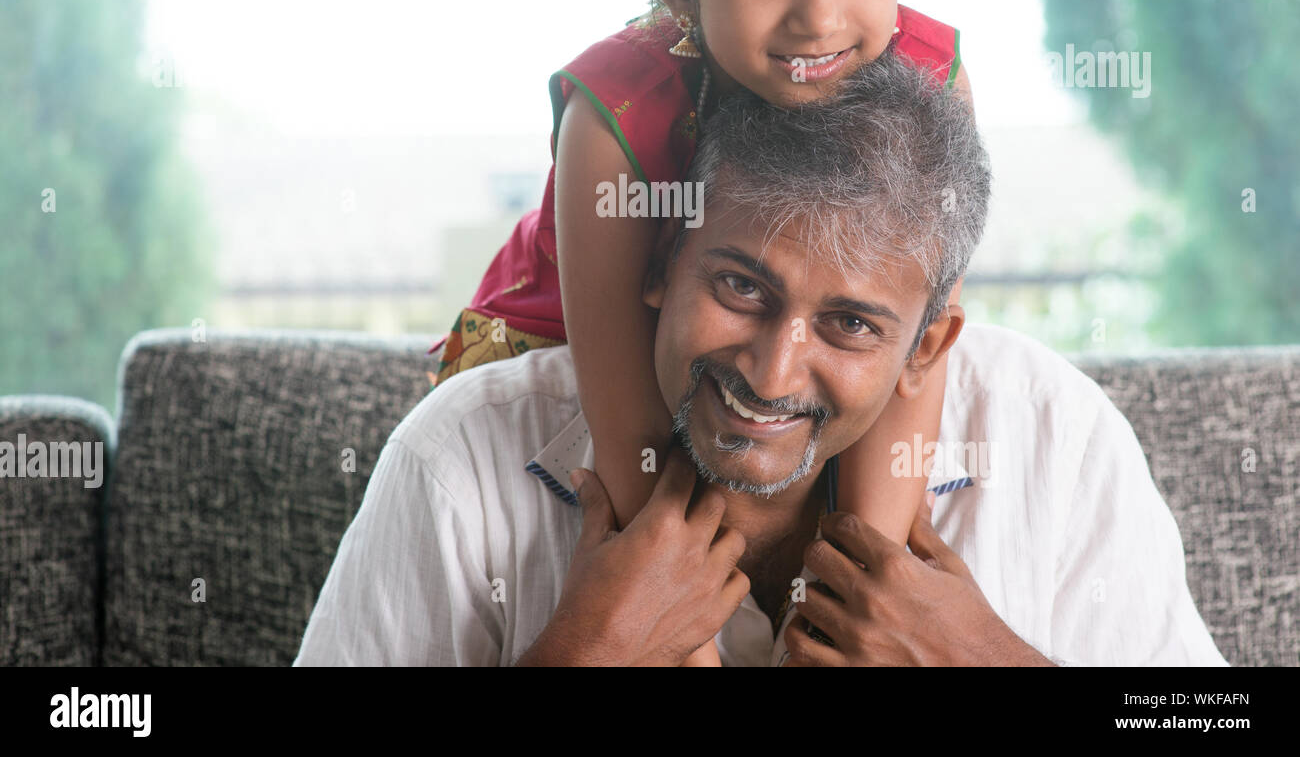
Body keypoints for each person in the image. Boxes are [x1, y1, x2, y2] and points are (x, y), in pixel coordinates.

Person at [295, 54, 1228, 667]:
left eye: (852, 326)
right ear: (661, 263)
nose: (773, 375)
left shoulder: (1057, 436)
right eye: (741, 289)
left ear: (926, 347)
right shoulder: (461, 461)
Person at [426, 0, 967, 666]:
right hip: (588, 331)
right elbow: (630, 420)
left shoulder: (929, 81)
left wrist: (844, 609)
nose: (818, 18)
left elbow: (908, 361)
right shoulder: (617, 116)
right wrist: (688, 639)